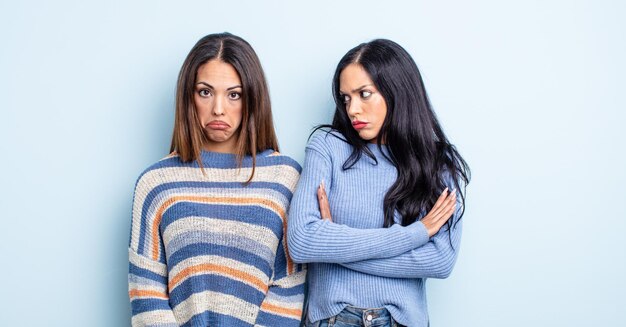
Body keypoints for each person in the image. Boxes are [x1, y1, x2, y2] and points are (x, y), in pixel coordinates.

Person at [288, 39, 470, 327]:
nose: (352, 110)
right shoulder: (328, 146)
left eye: (364, 94)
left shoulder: (437, 161)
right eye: (346, 98)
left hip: (400, 320)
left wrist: (336, 246)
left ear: (397, 91)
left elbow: (440, 261)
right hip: (334, 319)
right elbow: (302, 242)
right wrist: (416, 234)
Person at [128, 32, 305, 327]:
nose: (218, 109)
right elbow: (146, 291)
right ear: (189, 96)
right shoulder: (155, 183)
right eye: (205, 92)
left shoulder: (284, 179)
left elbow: (289, 284)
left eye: (233, 94)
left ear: (252, 98)